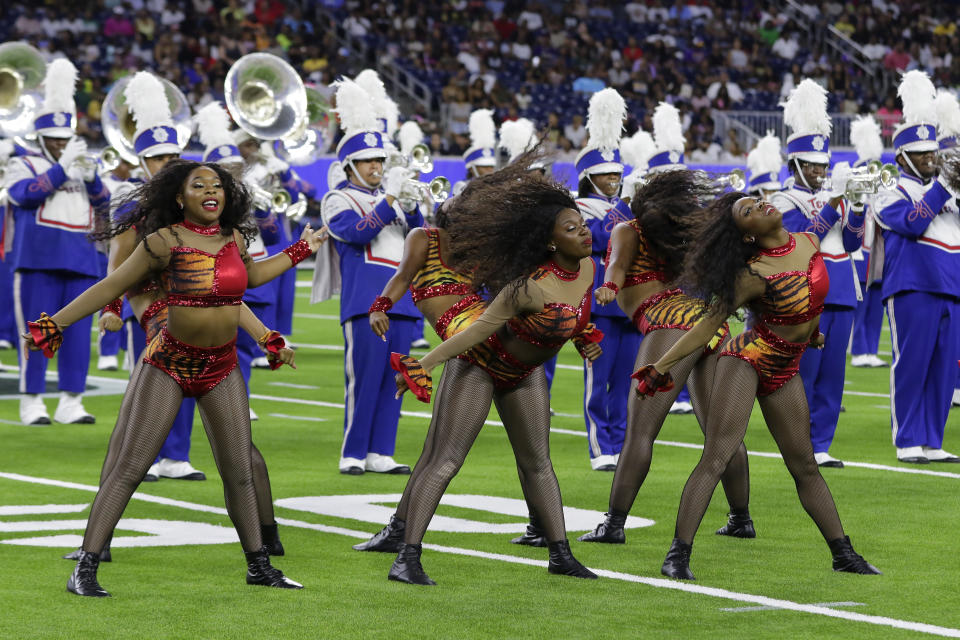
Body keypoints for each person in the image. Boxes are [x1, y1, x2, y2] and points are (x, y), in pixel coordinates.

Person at [24, 160, 327, 596]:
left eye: (218, 185)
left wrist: (302, 249)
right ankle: (86, 568)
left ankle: (258, 566)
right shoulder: (161, 242)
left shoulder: (236, 238)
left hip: (221, 367)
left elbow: (255, 277)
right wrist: (55, 324)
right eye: (198, 185)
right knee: (131, 466)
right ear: (179, 197)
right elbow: (109, 288)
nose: (211, 191)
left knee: (239, 470)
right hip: (169, 362)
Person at [632, 192, 880, 580]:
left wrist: (811, 333)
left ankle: (843, 554)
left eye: (758, 200)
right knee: (717, 456)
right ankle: (677, 555)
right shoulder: (752, 274)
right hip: (747, 360)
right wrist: (660, 366)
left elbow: (811, 297)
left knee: (805, 465)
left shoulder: (809, 242)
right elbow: (705, 328)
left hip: (787, 363)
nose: (761, 204)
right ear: (746, 236)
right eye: (748, 211)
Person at [388, 158, 603, 586]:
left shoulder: (589, 269)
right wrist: (424, 364)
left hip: (525, 373)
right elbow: (481, 329)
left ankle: (560, 554)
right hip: (479, 364)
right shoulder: (526, 286)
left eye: (582, 224)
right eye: (572, 228)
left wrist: (583, 337)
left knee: (539, 462)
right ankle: (406, 556)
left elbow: (577, 315)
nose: (585, 231)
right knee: (447, 460)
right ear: (549, 243)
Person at [579, 170, 752, 545]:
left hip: (670, 321)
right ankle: (741, 518)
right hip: (706, 322)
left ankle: (613, 524)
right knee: (720, 433)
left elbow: (617, 267)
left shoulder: (630, 228)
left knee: (640, 432)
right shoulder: (684, 235)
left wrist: (608, 287)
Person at [320, 78, 423, 475]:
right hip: (365, 299)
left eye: (379, 161)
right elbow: (355, 232)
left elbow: (419, 238)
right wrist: (392, 199)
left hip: (404, 299)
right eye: (368, 162)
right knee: (363, 379)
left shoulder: (391, 194)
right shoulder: (337, 198)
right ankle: (353, 452)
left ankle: (381, 451)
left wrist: (411, 206)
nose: (377, 168)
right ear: (350, 166)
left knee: (398, 379)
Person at [5, 59, 110, 425]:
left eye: (64, 139)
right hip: (38, 260)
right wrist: (62, 168)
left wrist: (93, 178)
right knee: (36, 332)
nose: (60, 144)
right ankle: (31, 401)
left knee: (78, 337)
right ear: (41, 138)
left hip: (81, 259)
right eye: (54, 139)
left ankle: (72, 399)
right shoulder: (25, 163)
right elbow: (23, 195)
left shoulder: (80, 163)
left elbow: (105, 204)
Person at [770, 79, 862, 469]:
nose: (819, 172)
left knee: (833, 377)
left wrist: (855, 207)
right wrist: (833, 204)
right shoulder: (780, 200)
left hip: (841, 288)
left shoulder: (832, 196)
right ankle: (798, 442)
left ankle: (821, 443)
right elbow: (803, 242)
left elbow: (854, 243)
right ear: (795, 166)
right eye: (811, 165)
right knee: (803, 374)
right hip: (804, 295)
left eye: (823, 165)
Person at [874, 70, 960, 464]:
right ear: (903, 157)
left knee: (945, 367)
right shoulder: (889, 192)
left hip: (950, 284)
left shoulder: (948, 190)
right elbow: (911, 223)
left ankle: (933, 440)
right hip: (912, 286)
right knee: (912, 364)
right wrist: (944, 185)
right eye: (924, 155)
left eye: (934, 154)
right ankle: (908, 438)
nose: (932, 160)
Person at [573, 88, 639, 471]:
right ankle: (601, 448)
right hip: (597, 302)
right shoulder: (578, 206)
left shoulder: (624, 208)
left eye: (616, 173)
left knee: (627, 380)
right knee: (599, 380)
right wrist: (627, 210)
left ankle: (621, 444)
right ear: (589, 177)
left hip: (629, 299)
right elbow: (593, 239)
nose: (613, 179)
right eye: (605, 174)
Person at [847, 116, 888, 369]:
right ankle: (859, 348)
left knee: (876, 304)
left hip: (879, 253)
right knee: (860, 304)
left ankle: (870, 349)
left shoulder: (883, 195)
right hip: (861, 253)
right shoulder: (854, 194)